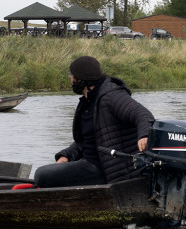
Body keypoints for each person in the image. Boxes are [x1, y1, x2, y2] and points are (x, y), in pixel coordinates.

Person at [33, 56, 154, 188]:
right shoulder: (88, 101)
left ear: (80, 79)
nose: (71, 79)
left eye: (71, 75)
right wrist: (67, 155)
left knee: (41, 175)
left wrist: (144, 135)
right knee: (47, 173)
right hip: (92, 164)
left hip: (109, 171)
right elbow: (89, 140)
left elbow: (142, 114)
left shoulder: (111, 96)